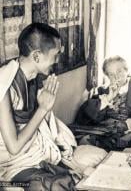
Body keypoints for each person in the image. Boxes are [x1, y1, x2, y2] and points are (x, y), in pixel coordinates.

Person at [0, 23, 107, 190]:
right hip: (13, 166)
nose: (57, 61)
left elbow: (45, 131)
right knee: (57, 186)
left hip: (37, 156)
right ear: (36, 56)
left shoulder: (34, 81)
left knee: (89, 178)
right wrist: (43, 109)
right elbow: (13, 148)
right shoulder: (4, 85)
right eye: (55, 55)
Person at [75, 56, 131, 151]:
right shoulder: (102, 90)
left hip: (127, 133)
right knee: (85, 143)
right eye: (111, 74)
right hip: (103, 131)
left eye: (119, 71)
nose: (116, 77)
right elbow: (85, 116)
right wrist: (109, 98)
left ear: (126, 70)